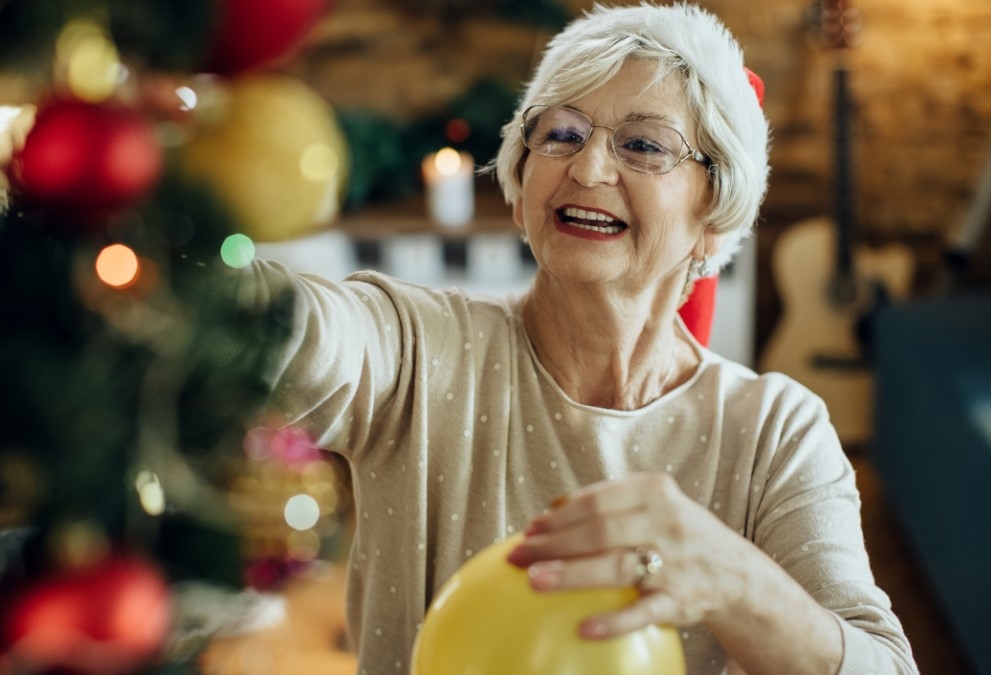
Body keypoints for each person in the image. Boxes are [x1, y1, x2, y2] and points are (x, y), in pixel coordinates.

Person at [242, 2, 918, 674]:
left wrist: (733, 578)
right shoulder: (419, 347)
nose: (589, 168)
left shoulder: (777, 432)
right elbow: (295, 331)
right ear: (519, 182)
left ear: (715, 213)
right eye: (561, 134)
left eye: (644, 144)